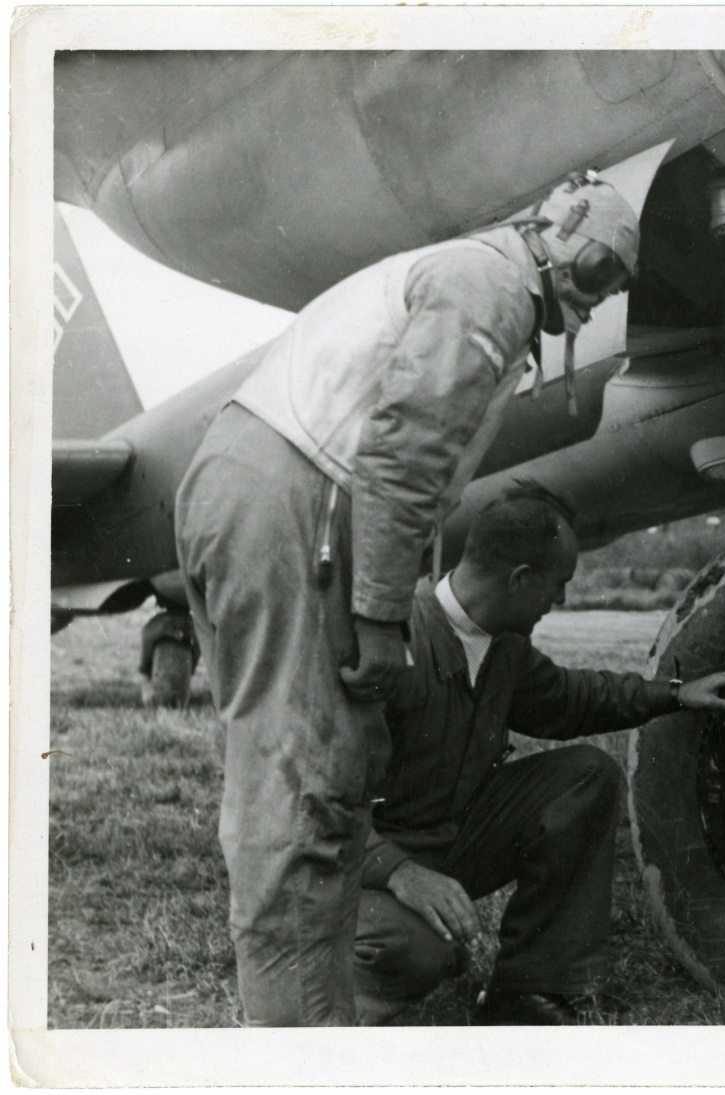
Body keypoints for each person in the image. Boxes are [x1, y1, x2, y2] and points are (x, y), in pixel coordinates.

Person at [174, 174, 641, 1026]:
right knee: (307, 786)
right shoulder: (490, 288)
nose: (599, 302)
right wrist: (382, 614)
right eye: (604, 278)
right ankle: (299, 1047)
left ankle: (300, 1025)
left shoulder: (473, 278)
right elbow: (405, 454)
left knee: (301, 774)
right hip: (295, 497)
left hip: (266, 488)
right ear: (582, 250)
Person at [352, 483, 725, 1024]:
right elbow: (305, 800)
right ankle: (332, 993)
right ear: (521, 579)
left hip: (449, 840)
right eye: (558, 585)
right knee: (417, 952)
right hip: (361, 865)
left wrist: (674, 692)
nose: (561, 601)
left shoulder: (501, 645)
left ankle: (526, 991)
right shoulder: (391, 644)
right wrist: (400, 871)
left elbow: (573, 698)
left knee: (586, 777)